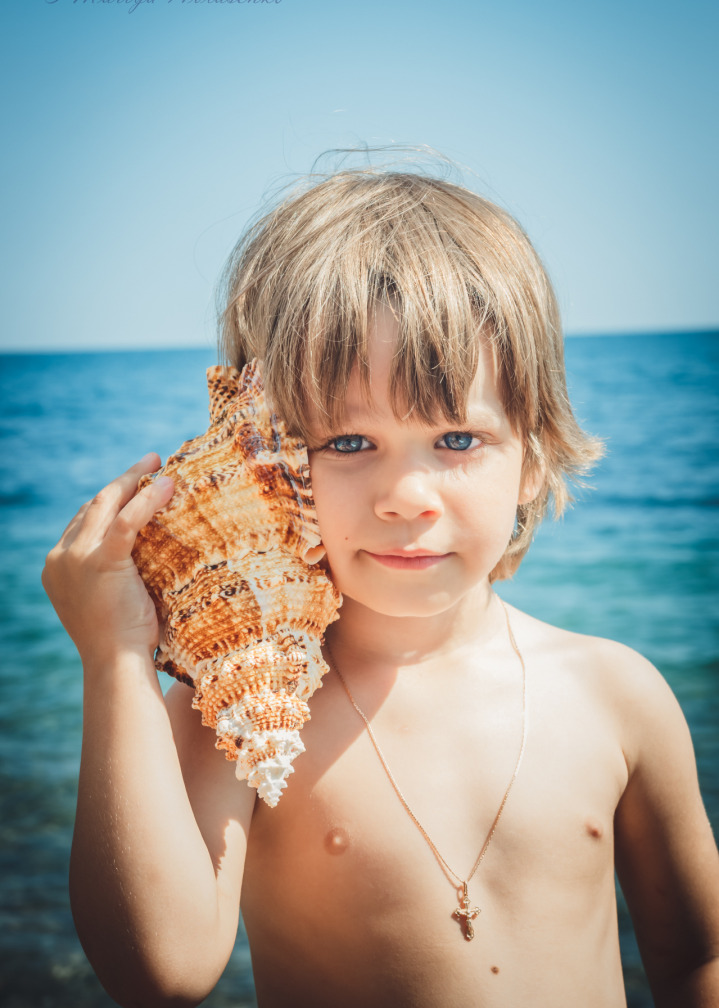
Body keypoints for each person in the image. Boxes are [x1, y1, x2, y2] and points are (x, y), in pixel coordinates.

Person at [42, 161, 719, 1008]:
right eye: (348, 444)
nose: (406, 499)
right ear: (269, 463)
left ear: (534, 454)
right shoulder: (242, 720)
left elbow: (695, 957)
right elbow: (162, 973)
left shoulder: (618, 694)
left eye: (458, 440)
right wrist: (116, 661)